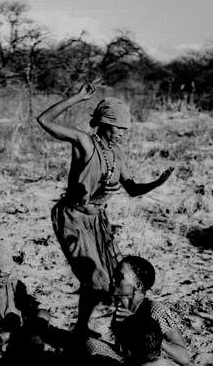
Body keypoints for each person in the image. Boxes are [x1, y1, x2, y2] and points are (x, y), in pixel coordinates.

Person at [36, 84, 174, 337]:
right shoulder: (85, 143)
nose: (123, 133)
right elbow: (43, 119)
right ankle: (84, 329)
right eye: (119, 127)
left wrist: (155, 183)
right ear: (103, 123)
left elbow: (131, 188)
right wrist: (77, 97)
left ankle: (86, 327)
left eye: (126, 129)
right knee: (95, 279)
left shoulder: (116, 153)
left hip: (98, 219)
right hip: (73, 218)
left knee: (113, 277)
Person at [87, 254, 203, 366]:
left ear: (138, 285)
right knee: (91, 346)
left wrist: (144, 329)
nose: (112, 280)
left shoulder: (155, 310)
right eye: (114, 274)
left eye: (119, 276)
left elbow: (184, 358)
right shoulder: (121, 312)